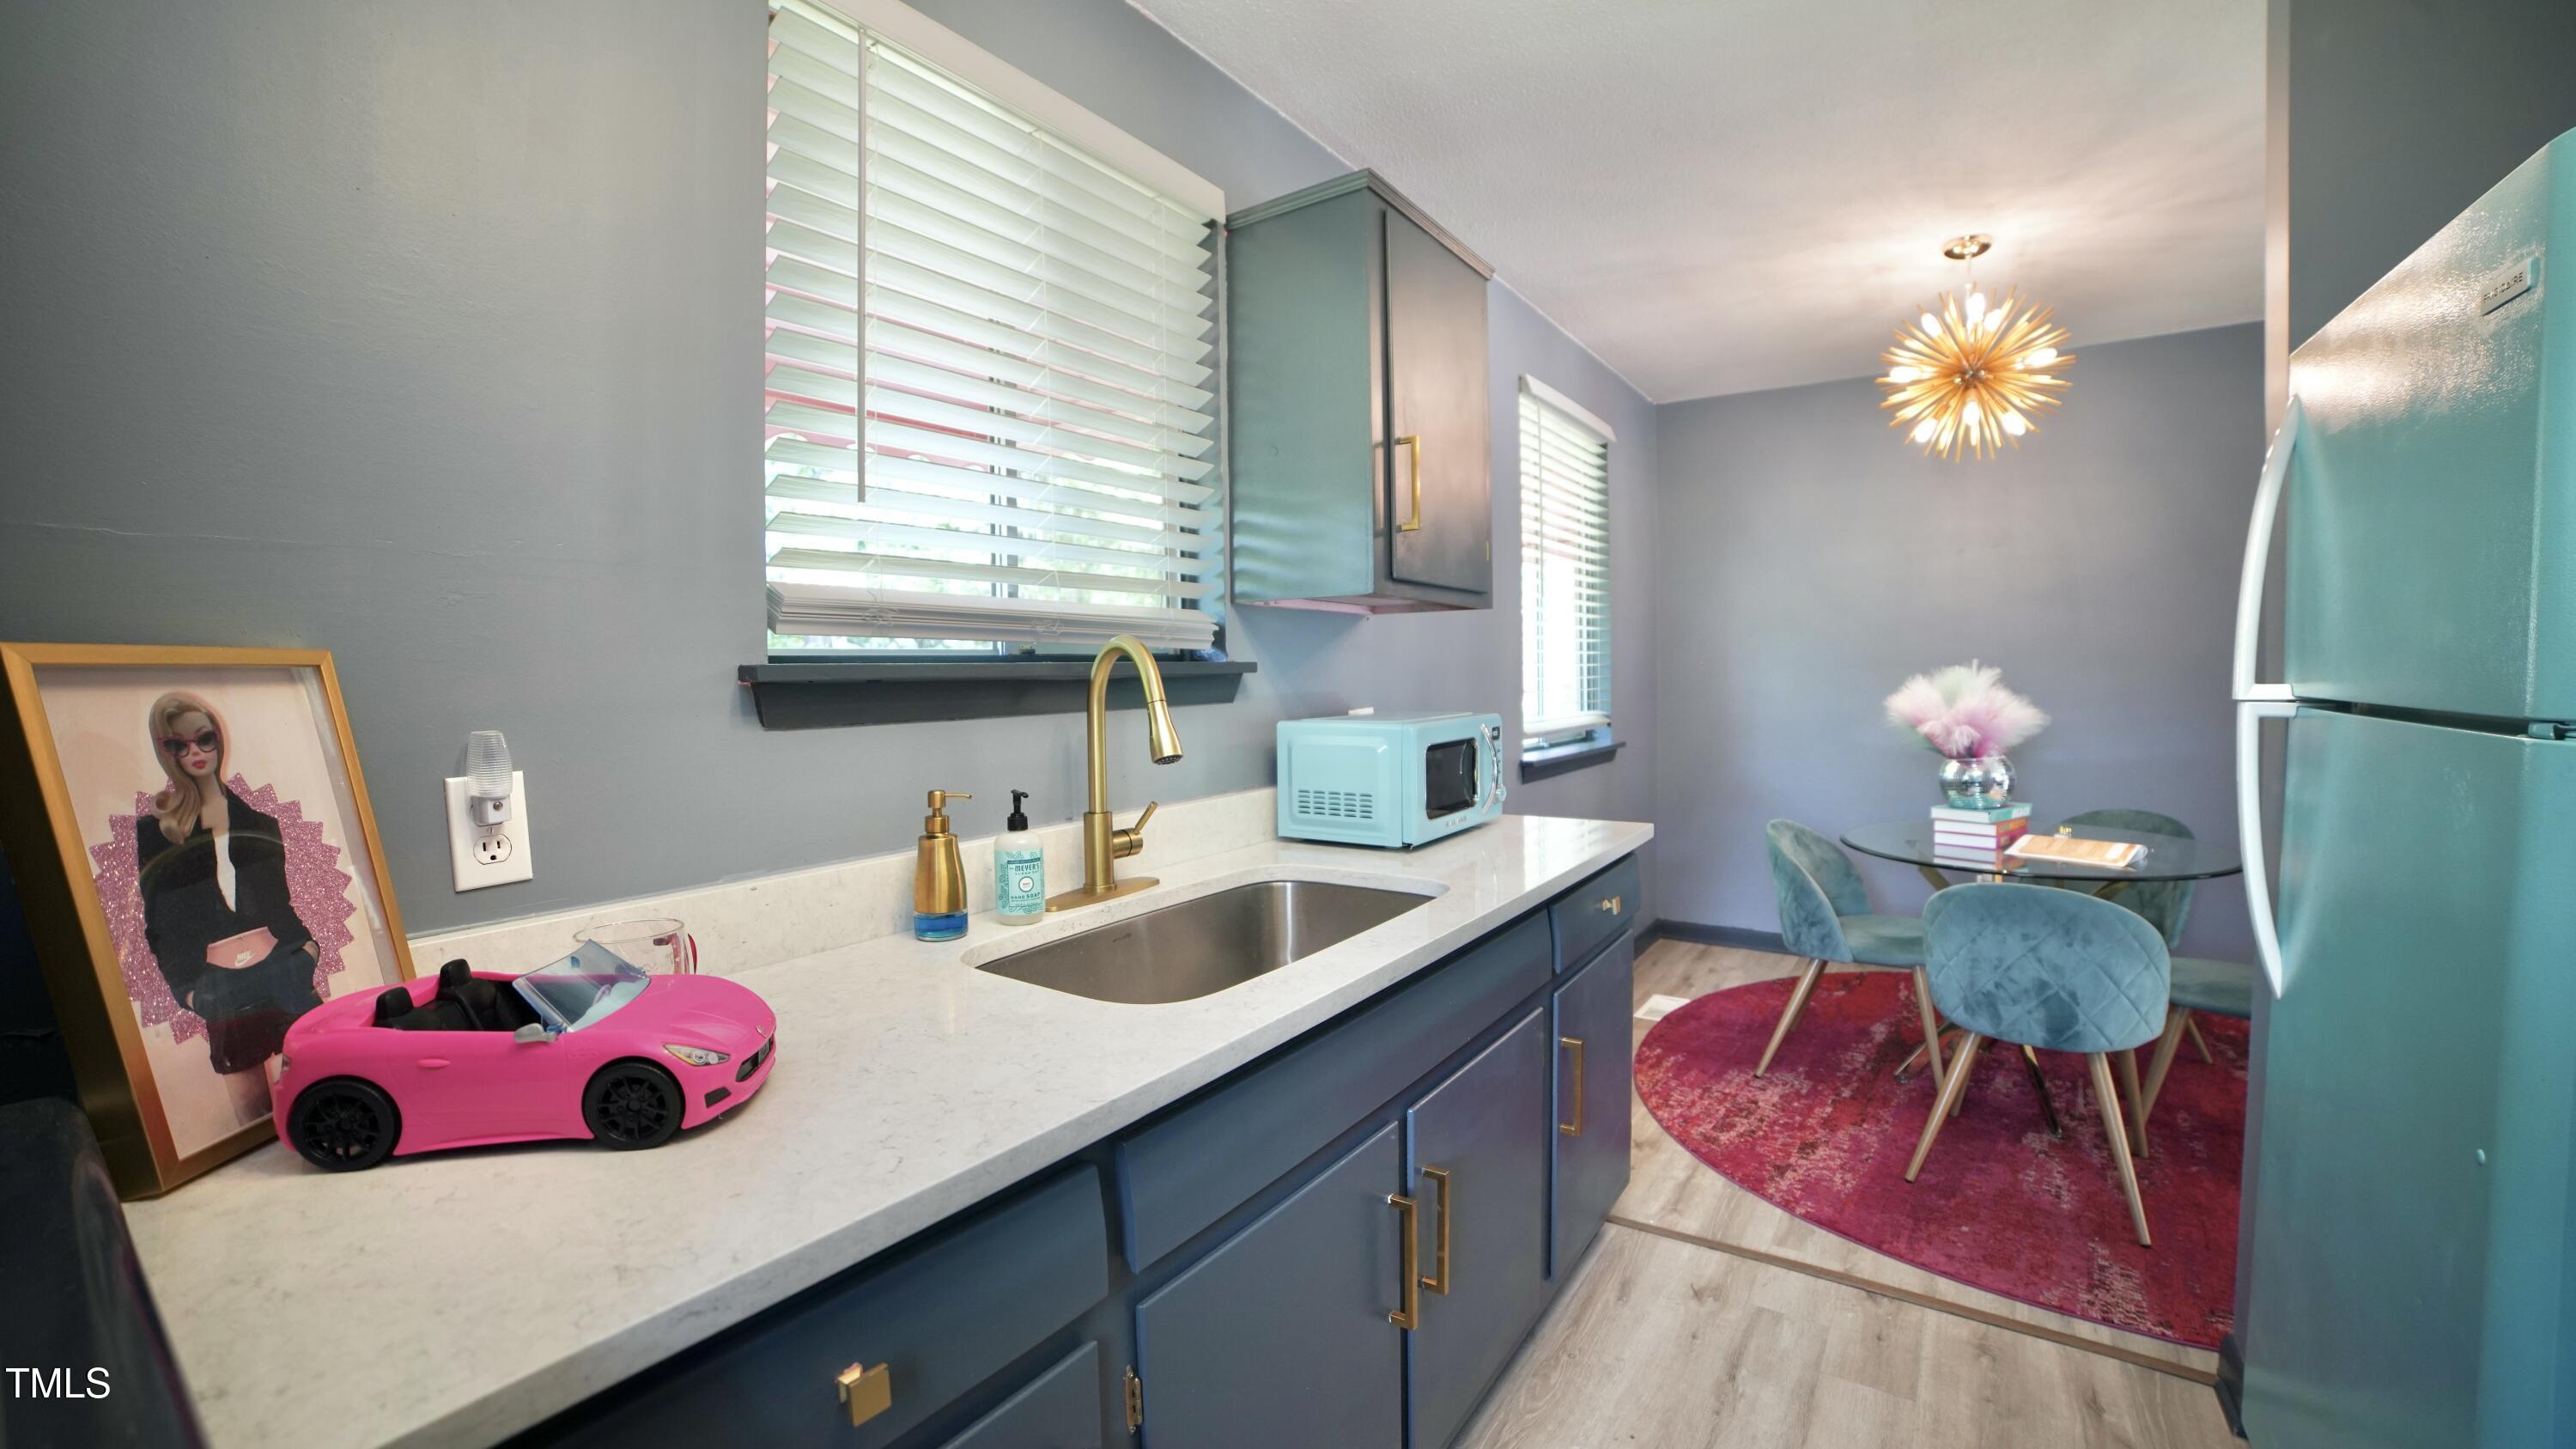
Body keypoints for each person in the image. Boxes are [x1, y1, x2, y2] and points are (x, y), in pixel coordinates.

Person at [134, 692, 321, 1076]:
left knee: (320, 1081)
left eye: (204, 739)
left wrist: (307, 951)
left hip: (285, 969)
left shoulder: (260, 825)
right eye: (178, 745)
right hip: (219, 989)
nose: (195, 752)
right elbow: (161, 926)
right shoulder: (157, 835)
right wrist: (188, 991)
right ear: (165, 751)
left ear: (219, 739)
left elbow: (278, 904)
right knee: (251, 1102)